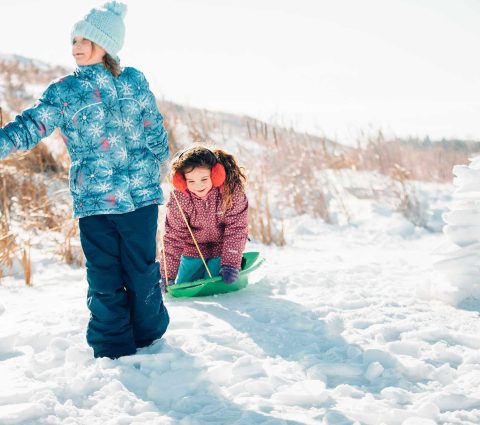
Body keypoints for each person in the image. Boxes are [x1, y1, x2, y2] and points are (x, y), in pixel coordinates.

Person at [0, 1, 170, 358]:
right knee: (104, 276)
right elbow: (32, 125)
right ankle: (112, 346)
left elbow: (153, 124)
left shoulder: (134, 81)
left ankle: (150, 336)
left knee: (142, 272)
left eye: (85, 40)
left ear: (106, 44)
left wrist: (161, 154)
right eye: (73, 39)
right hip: (95, 201)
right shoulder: (65, 91)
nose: (76, 46)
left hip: (141, 197)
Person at [160, 145, 249, 289]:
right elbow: (173, 237)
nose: (198, 186)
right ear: (182, 180)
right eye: (191, 181)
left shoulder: (231, 191)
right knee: (185, 286)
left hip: (223, 249)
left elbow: (237, 228)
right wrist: (166, 275)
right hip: (192, 250)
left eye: (203, 179)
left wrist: (230, 264)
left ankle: (231, 266)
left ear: (216, 175)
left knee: (214, 283)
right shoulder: (180, 198)